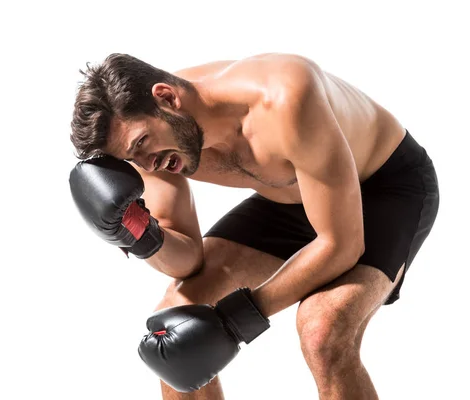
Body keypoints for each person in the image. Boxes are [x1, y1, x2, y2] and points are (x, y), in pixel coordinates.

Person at [68, 52, 440, 400]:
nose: (147, 166)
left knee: (321, 329)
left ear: (166, 97)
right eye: (134, 158)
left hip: (384, 190)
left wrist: (235, 320)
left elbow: (340, 245)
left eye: (143, 143)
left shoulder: (284, 98)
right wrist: (139, 233)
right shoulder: (158, 151)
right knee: (174, 326)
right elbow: (187, 259)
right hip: (289, 200)